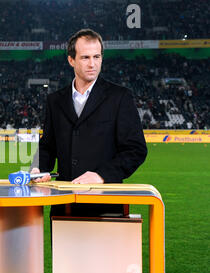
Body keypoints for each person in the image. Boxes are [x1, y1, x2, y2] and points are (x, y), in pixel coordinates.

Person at [31, 29, 147, 216]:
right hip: (64, 205)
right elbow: (48, 146)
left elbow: (136, 150)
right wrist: (38, 169)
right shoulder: (55, 100)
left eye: (97, 57)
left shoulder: (120, 97)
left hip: (106, 204)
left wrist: (101, 175)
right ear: (71, 60)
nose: (92, 64)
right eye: (85, 57)